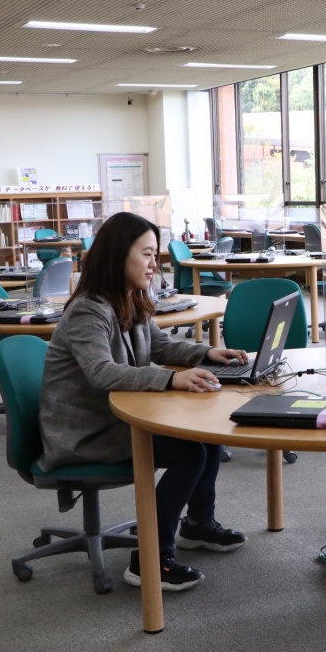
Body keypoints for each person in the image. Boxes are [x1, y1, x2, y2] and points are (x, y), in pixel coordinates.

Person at [39, 211, 250, 592]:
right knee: (191, 452)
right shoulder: (89, 309)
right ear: (119, 255)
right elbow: (101, 372)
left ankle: (199, 524)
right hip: (86, 432)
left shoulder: (130, 298)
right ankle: (150, 558)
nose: (155, 263)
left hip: (115, 417)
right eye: (147, 254)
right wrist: (172, 378)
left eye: (156, 255)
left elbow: (160, 345)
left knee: (206, 435)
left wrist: (207, 354)